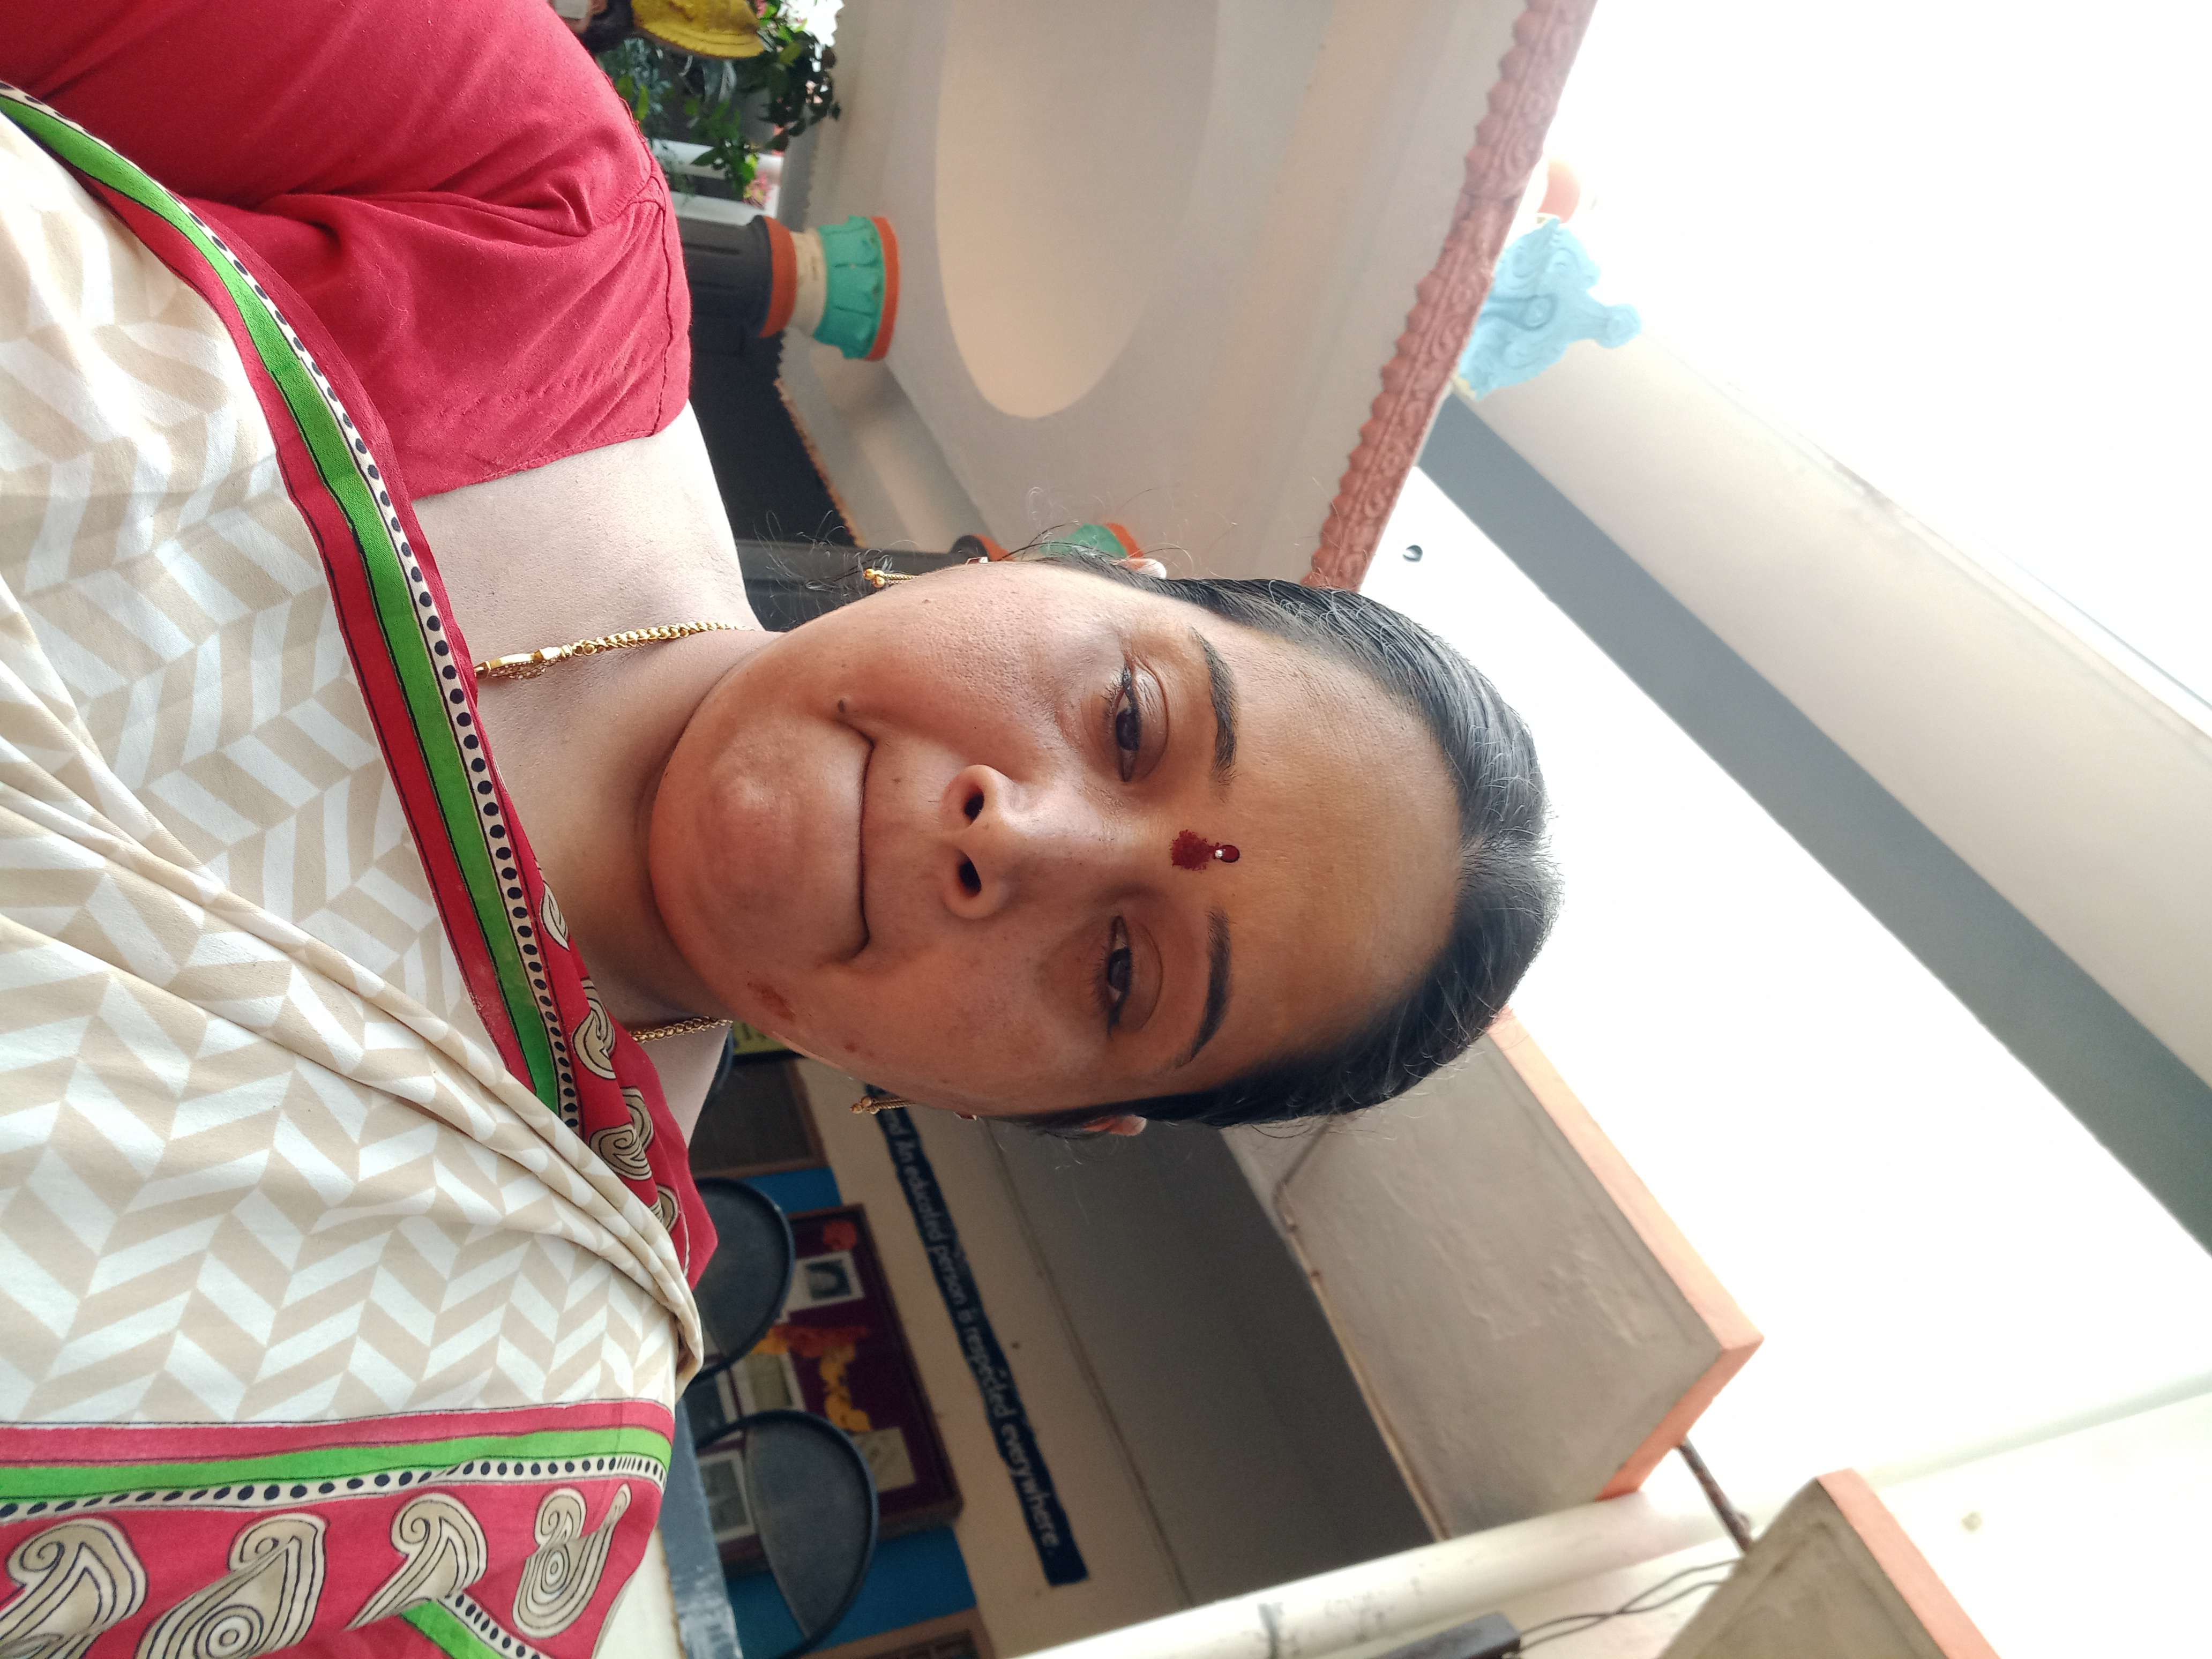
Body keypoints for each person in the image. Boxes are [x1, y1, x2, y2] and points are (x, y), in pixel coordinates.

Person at [0, 2, 1555, 1653]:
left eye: (1121, 975)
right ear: (1083, 573)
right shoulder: (530, 217)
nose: (1015, 836)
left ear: (1050, 1112)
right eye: (1131, 722)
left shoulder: (498, 1471)